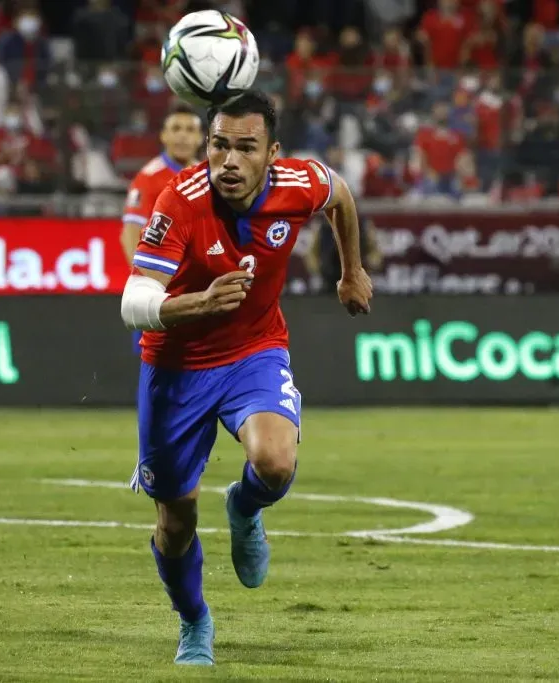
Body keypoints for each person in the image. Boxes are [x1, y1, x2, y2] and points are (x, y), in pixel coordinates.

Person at [119, 90, 373, 666]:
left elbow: (342, 195)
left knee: (276, 463)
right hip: (174, 367)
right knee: (175, 521)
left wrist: (351, 271)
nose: (228, 160)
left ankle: (245, 506)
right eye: (219, 145)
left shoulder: (297, 182)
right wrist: (198, 305)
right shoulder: (178, 200)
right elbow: (135, 302)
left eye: (245, 148)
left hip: (254, 350)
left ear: (272, 153)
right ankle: (194, 622)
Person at [120, 103, 203, 354]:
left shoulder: (208, 175)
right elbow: (129, 235)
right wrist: (148, 287)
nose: (183, 135)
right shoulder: (148, 178)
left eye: (190, 129)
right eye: (176, 128)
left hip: (197, 291)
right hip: (161, 293)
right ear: (163, 135)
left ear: (200, 138)